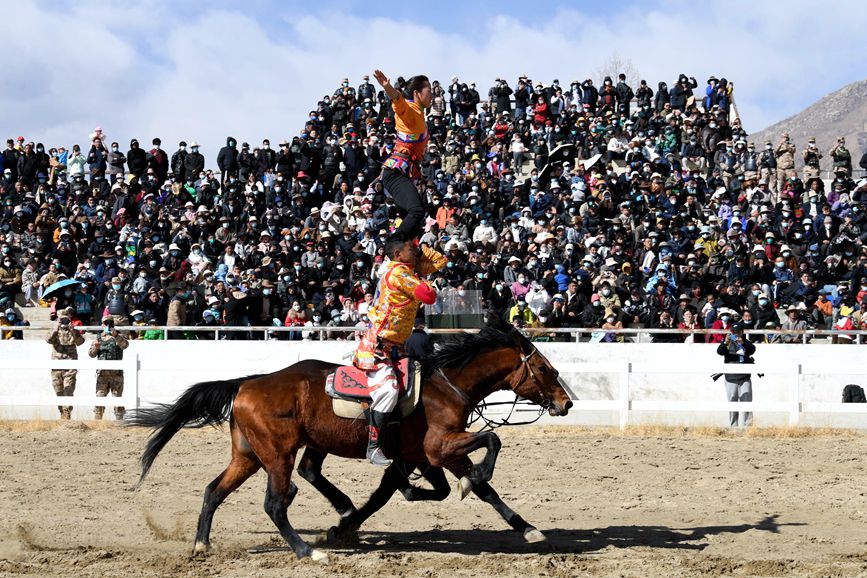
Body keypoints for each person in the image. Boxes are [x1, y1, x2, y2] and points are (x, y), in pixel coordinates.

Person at [353, 238, 446, 466]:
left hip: (397, 347)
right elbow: (428, 296)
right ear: (397, 254)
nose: (415, 252)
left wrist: (421, 254)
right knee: (389, 391)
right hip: (379, 346)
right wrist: (423, 273)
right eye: (410, 249)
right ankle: (373, 446)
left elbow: (440, 260)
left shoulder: (406, 269)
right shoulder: (398, 274)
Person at [373, 69, 432, 242]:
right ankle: (395, 244)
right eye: (429, 91)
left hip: (405, 173)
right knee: (416, 210)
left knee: (413, 218)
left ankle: (408, 248)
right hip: (395, 171)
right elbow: (398, 101)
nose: (432, 95)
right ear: (417, 93)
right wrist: (388, 88)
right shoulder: (411, 111)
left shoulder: (420, 114)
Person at [45, 307, 85, 419]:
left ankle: (67, 414)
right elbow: (48, 340)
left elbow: (80, 342)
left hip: (70, 365)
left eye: (65, 319)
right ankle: (61, 413)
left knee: (68, 389)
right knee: (58, 391)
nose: (63, 321)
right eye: (61, 319)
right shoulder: (54, 330)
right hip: (56, 365)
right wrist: (56, 328)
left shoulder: (73, 330)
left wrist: (72, 329)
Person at [88, 316, 130, 420]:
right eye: (105, 323)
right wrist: (95, 348)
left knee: (117, 400)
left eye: (109, 323)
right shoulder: (98, 338)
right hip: (102, 375)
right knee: (99, 399)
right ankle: (98, 422)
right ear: (102, 325)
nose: (107, 325)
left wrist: (116, 335)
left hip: (116, 375)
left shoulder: (118, 337)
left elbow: (125, 345)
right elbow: (91, 354)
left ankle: (120, 422)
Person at [716, 321, 756, 427]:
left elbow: (752, 350)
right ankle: (733, 426)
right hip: (730, 377)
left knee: (747, 401)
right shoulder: (727, 342)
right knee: (732, 402)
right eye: (734, 332)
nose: (736, 334)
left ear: (742, 332)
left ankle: (748, 427)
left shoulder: (746, 342)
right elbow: (719, 351)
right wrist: (725, 342)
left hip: (744, 377)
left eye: (738, 332)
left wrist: (742, 343)